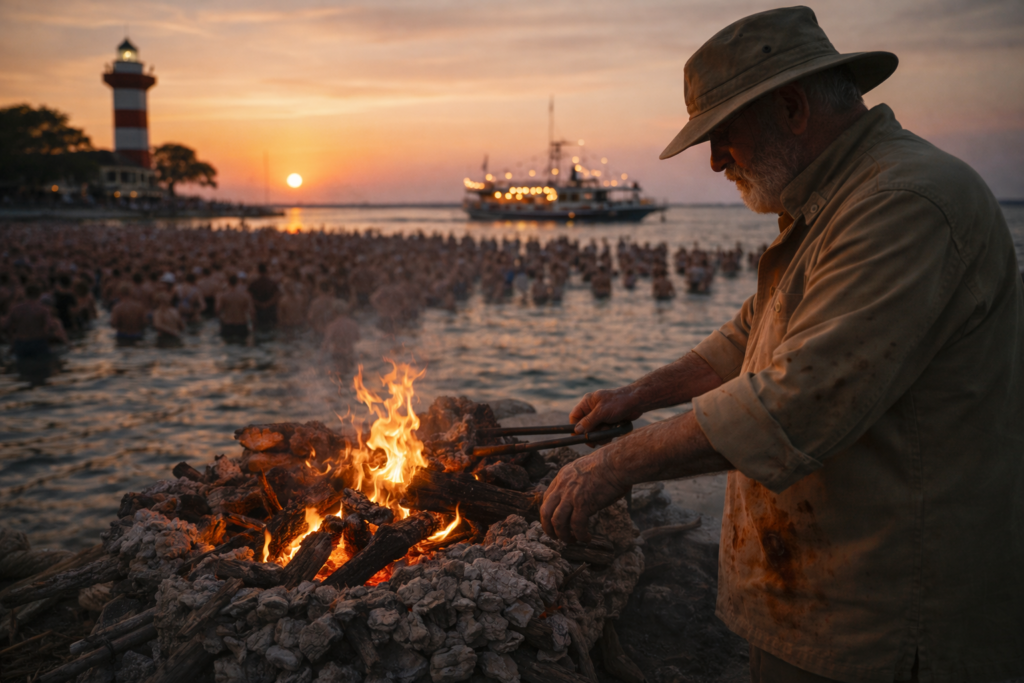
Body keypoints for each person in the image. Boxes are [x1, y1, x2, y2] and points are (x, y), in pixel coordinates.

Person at [540, 7, 1024, 682]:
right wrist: (639, 395)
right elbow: (753, 333)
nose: (712, 161)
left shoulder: (906, 202)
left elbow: (799, 400)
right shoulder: (837, 198)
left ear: (792, 106)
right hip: (821, 604)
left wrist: (616, 464)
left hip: (888, 623)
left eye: (721, 134)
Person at [2, 283, 66, 359]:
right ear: (39, 294)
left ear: (25, 294)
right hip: (38, 343)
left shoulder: (16, 309)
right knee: (42, 367)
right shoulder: (43, 310)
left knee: (23, 368)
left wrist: (13, 340)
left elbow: (5, 325)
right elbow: (50, 326)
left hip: (21, 343)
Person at [216, 273, 254, 343]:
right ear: (238, 282)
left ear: (228, 283)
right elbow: (251, 311)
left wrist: (222, 321)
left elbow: (218, 310)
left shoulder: (224, 296)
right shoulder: (245, 296)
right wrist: (253, 325)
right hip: (241, 324)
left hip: (228, 324)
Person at [247, 263, 279, 332]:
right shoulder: (272, 283)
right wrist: (267, 304)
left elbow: (250, 298)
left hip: (258, 311)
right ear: (266, 271)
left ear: (258, 271)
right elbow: (276, 297)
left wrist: (259, 304)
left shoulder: (254, 284)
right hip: (270, 311)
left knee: (259, 330)